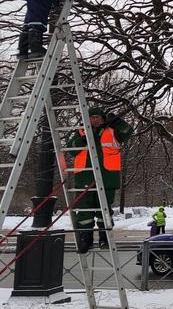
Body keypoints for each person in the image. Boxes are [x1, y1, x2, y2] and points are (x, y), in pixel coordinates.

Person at [68, 107, 133, 253]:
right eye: (92, 117)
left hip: (107, 178)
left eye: (97, 117)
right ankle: (86, 239)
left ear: (103, 118)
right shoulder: (80, 132)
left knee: (104, 210)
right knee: (85, 212)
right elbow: (71, 149)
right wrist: (84, 139)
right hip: (84, 178)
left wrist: (118, 122)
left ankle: (105, 238)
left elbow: (128, 131)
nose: (94, 120)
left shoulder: (112, 131)